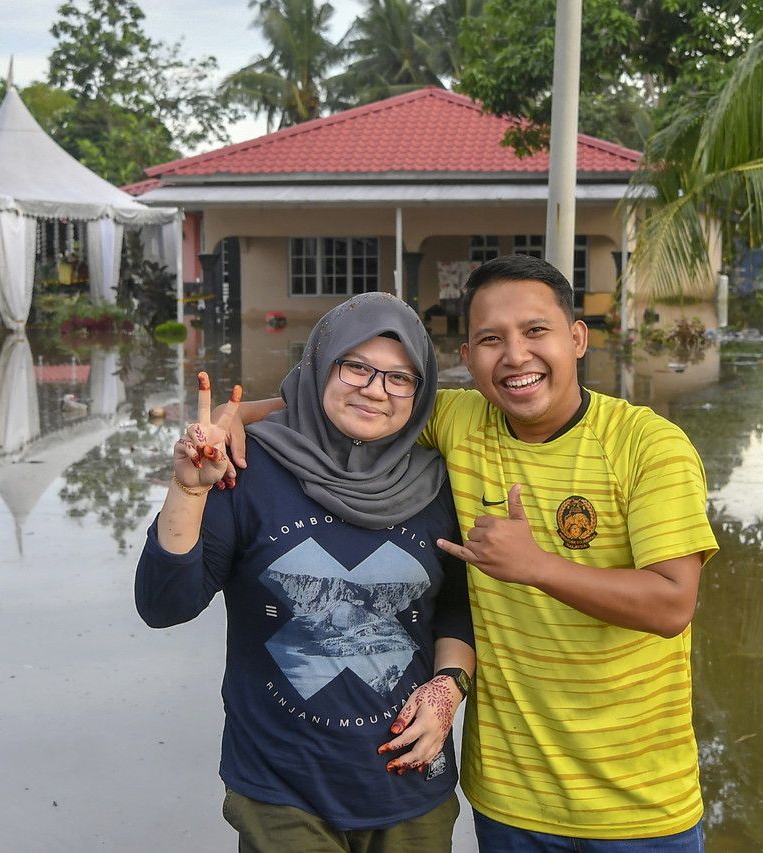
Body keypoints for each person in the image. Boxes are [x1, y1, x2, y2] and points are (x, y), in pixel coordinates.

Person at [226, 255, 718, 850]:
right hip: (509, 801)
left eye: (536, 331)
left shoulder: (648, 445)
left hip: (638, 805)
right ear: (466, 357)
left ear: (578, 337)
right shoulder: (459, 422)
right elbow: (352, 402)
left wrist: (537, 568)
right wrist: (236, 417)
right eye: (491, 339)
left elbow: (672, 605)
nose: (515, 356)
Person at [136, 292, 476, 852]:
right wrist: (188, 491)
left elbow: (457, 609)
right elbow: (163, 606)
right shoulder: (247, 465)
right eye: (357, 367)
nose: (375, 389)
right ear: (320, 363)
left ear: (420, 394)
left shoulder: (439, 484)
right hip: (282, 790)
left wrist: (448, 688)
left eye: (399, 378)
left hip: (411, 789)